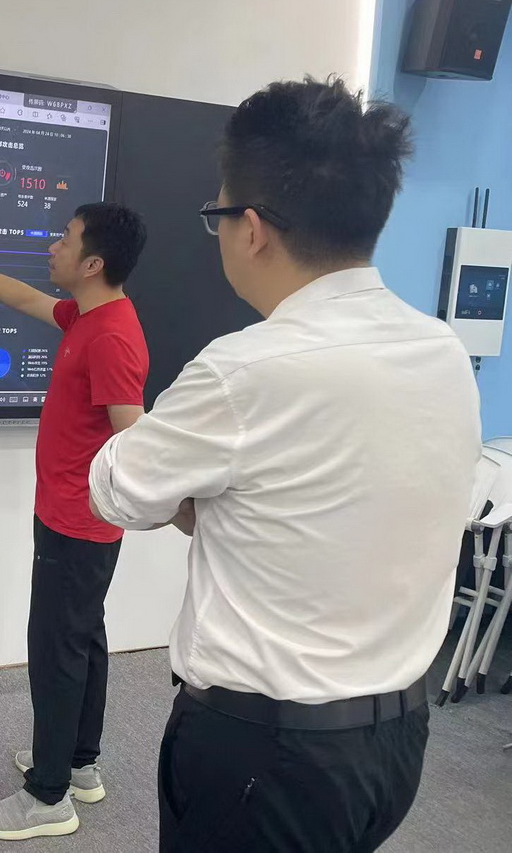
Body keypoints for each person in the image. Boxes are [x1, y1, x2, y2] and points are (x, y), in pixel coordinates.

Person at [88, 78, 482, 852]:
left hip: (265, 757)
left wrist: (209, 500)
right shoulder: (442, 350)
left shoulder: (243, 370)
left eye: (217, 215)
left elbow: (115, 489)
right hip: (397, 740)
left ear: (252, 229)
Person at [0, 201, 149, 841]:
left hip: (78, 523)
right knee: (82, 639)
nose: (53, 246)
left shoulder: (110, 336)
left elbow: (134, 440)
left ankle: (48, 796)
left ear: (93, 263)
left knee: (56, 651)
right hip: (72, 516)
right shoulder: (88, 315)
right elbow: (27, 299)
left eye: (66, 239)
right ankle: (79, 763)